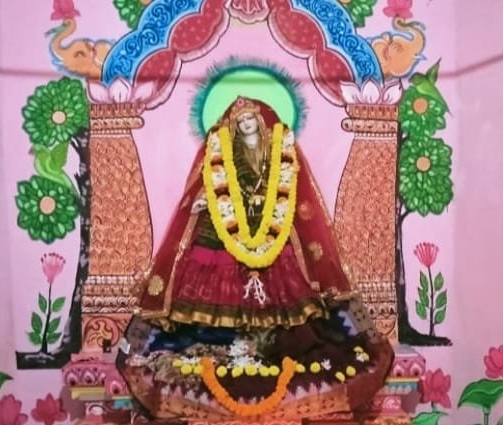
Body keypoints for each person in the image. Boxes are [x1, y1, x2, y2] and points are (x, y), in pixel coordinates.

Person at [121, 96, 393, 420]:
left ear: (262, 125)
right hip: (225, 230)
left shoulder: (276, 154)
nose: (247, 125)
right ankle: (230, 344)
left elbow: (291, 194)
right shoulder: (225, 153)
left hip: (272, 231)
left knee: (288, 282)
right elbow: (211, 184)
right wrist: (205, 201)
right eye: (241, 122)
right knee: (211, 278)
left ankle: (261, 345)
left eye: (251, 120)